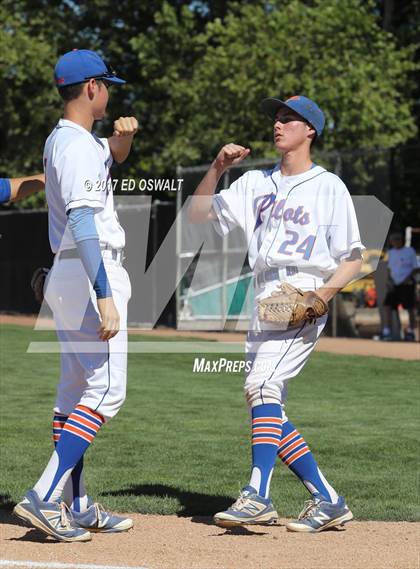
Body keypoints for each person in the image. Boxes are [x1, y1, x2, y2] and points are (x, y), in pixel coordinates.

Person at [188, 95, 364, 533]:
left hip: (304, 294)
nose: (278, 124)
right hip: (265, 296)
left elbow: (353, 259)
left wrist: (320, 297)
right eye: (277, 117)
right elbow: (196, 215)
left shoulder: (329, 187)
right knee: (264, 399)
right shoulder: (253, 184)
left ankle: (257, 495)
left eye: (290, 118)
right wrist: (216, 168)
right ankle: (328, 500)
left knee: (262, 385)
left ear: (311, 131)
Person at [13, 49, 138, 542]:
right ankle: (44, 496)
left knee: (73, 392)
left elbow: (113, 157)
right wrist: (104, 292)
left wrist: (123, 141)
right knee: (108, 390)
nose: (109, 91)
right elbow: (85, 220)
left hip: (68, 273)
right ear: (91, 89)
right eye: (106, 84)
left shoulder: (68, 141)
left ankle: (77, 503)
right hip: (92, 269)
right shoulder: (79, 146)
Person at [382, 232, 418, 341]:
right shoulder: (391, 252)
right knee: (387, 306)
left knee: (409, 309)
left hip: (407, 284)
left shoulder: (409, 251)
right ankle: (387, 331)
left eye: (397, 239)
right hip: (394, 285)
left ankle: (411, 331)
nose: (395, 242)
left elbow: (416, 268)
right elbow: (389, 269)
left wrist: (406, 279)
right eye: (393, 240)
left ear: (401, 240)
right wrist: (389, 281)